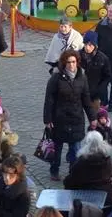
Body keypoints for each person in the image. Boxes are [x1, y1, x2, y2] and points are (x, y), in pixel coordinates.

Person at [43, 49, 97, 180]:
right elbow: (49, 99)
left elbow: (86, 99)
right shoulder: (56, 78)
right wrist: (47, 119)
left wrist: (92, 118)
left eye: (73, 62)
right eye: (68, 62)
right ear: (64, 63)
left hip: (76, 119)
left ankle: (74, 173)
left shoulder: (82, 77)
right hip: (59, 119)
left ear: (77, 62)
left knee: (76, 150)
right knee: (57, 150)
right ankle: (54, 171)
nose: (71, 65)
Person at [63, 131, 112, 204]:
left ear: (87, 144)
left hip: (84, 195)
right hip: (104, 194)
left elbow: (71, 179)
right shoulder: (107, 159)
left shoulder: (81, 161)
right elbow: (110, 174)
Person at [80, 31, 111, 113]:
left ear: (95, 45)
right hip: (80, 92)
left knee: (95, 117)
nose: (87, 47)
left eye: (90, 45)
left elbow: (107, 76)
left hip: (95, 94)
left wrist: (100, 89)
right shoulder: (78, 56)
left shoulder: (102, 58)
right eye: (85, 44)